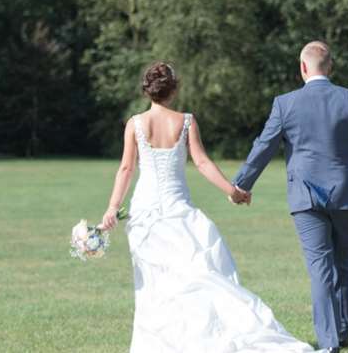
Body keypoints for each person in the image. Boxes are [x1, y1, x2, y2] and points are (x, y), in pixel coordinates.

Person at [100, 61, 315, 352]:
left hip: (145, 214)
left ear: (148, 90)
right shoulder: (185, 121)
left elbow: (126, 169)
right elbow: (201, 162)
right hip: (178, 211)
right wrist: (234, 191)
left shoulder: (135, 124)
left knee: (156, 283)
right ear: (174, 90)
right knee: (199, 272)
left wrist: (112, 207)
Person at [232, 41, 348, 352]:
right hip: (346, 194)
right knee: (344, 264)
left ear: (303, 67)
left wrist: (242, 184)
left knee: (320, 268)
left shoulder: (285, 104)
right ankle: (342, 332)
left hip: (305, 197)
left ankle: (330, 343)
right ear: (330, 67)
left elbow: (264, 146)